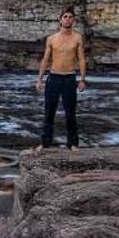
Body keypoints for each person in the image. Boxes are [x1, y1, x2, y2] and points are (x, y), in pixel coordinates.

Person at [35, 9, 86, 150]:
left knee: (70, 113)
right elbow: (45, 60)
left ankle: (73, 144)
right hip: (53, 78)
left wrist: (82, 79)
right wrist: (39, 79)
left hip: (69, 78)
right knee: (49, 112)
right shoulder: (52, 39)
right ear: (60, 20)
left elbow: (81, 59)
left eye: (71, 17)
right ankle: (45, 143)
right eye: (65, 17)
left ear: (73, 21)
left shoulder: (77, 38)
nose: (68, 19)